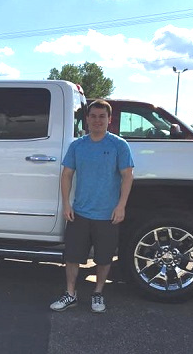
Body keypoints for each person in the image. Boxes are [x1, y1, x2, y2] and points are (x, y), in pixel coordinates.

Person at [50, 99, 134, 313]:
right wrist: (66, 203)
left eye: (102, 116)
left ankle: (98, 293)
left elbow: (127, 176)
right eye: (93, 116)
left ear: (109, 119)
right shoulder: (77, 145)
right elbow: (67, 174)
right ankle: (70, 294)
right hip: (79, 212)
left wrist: (121, 206)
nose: (97, 120)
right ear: (87, 119)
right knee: (72, 257)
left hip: (107, 214)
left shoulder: (118, 145)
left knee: (104, 258)